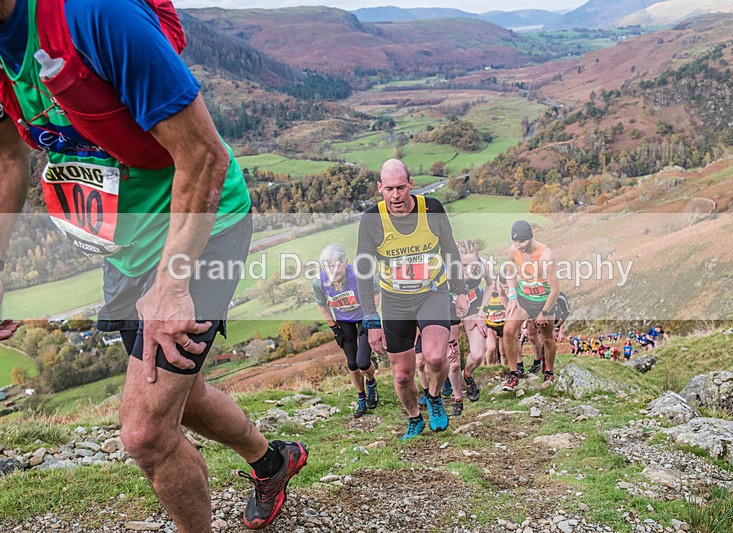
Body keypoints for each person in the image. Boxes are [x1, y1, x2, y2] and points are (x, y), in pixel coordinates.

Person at [0, 1, 306, 530]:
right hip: (125, 248)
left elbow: (204, 155)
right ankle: (272, 463)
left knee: (146, 432)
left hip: (203, 230)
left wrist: (172, 283)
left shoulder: (94, 14)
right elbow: (7, 160)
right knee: (181, 398)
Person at [355, 159, 468, 440]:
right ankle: (415, 418)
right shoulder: (372, 219)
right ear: (380, 188)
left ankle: (434, 398)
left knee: (435, 356)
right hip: (395, 301)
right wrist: (371, 320)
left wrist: (461, 290)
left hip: (432, 292)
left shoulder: (432, 209)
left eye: (401, 188)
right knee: (403, 375)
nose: (396, 196)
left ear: (411, 185)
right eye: (389, 189)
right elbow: (363, 272)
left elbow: (450, 249)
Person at [313, 244, 380, 418]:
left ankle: (371, 383)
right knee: (352, 363)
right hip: (344, 321)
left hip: (364, 316)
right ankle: (361, 398)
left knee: (363, 362)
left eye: (336, 265)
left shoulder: (359, 273)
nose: (333, 271)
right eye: (328, 266)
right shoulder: (319, 282)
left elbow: (377, 292)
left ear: (345, 262)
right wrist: (334, 328)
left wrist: (370, 315)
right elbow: (322, 305)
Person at [502, 221, 560, 391]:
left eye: (521, 242)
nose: (518, 246)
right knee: (508, 330)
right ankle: (514, 374)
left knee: (547, 337)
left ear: (530, 237)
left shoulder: (545, 256)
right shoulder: (513, 251)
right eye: (515, 242)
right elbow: (510, 272)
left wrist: (544, 312)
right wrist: (512, 296)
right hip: (524, 299)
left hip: (544, 300)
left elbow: (555, 290)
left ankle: (548, 371)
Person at [452, 240, 492, 409]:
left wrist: (482, 311)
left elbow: (490, 284)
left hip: (473, 305)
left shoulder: (484, 265)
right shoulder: (446, 266)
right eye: (462, 264)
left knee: (477, 355)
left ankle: (467, 375)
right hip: (450, 306)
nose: (467, 269)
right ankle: (457, 398)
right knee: (452, 358)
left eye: (470, 264)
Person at [484, 278, 508, 366]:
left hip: (503, 325)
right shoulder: (486, 296)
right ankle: (489, 367)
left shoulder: (504, 295)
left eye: (496, 285)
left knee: (503, 352)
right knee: (491, 348)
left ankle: (504, 368)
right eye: (492, 285)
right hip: (491, 325)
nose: (494, 287)